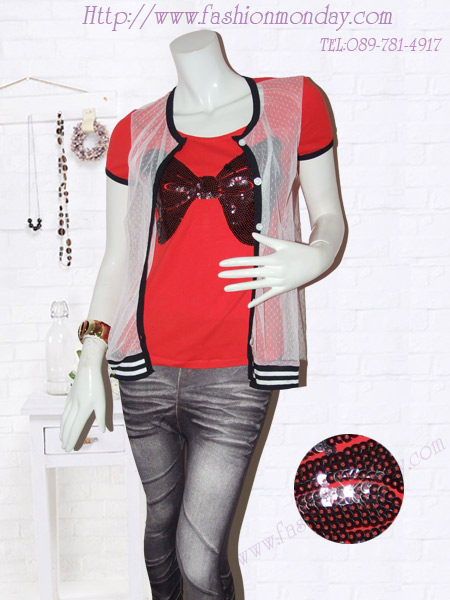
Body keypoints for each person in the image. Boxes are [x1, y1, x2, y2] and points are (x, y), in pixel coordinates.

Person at [60, 29, 345, 600]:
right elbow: (118, 257)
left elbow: (330, 216)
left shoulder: (295, 103)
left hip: (235, 373)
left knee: (199, 551)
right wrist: (90, 359)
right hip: (143, 366)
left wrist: (315, 256)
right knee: (159, 535)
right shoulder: (135, 130)